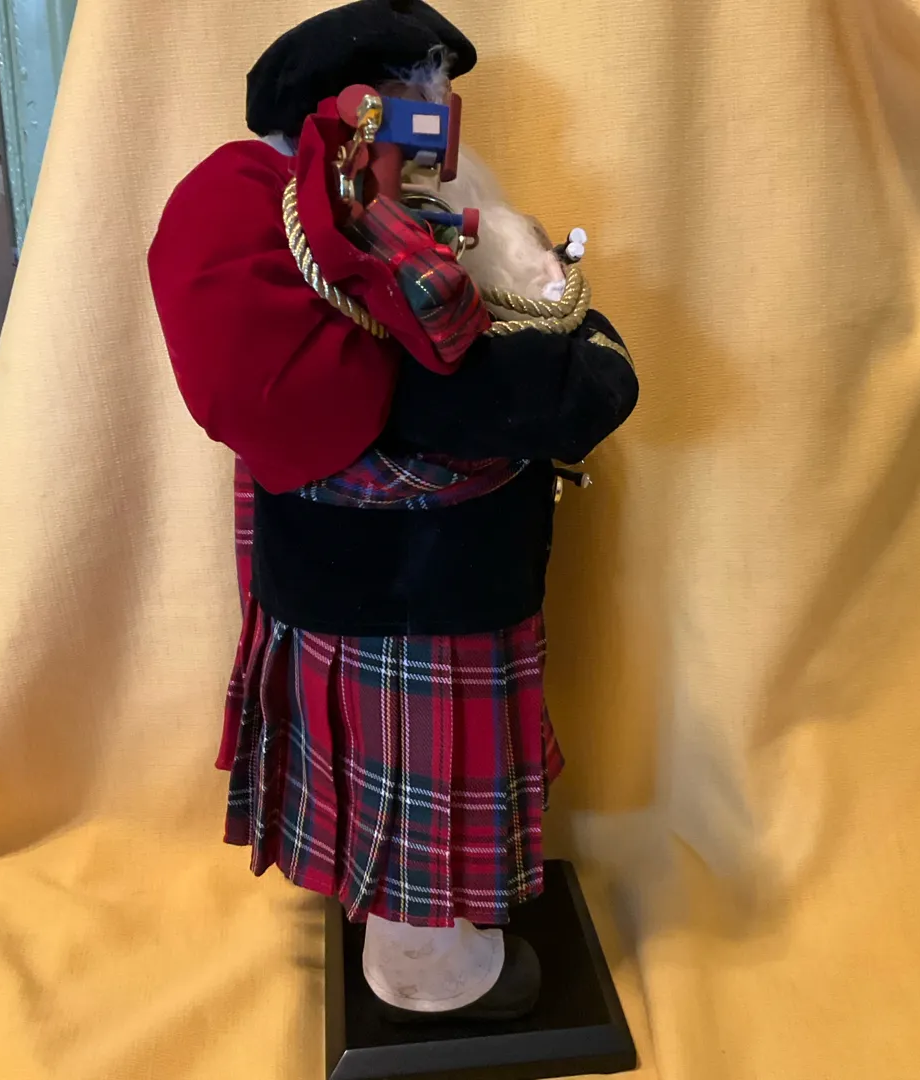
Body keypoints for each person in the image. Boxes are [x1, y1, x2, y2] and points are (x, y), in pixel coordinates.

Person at [148, 0, 638, 1022]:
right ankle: (429, 976)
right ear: (365, 118)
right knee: (415, 791)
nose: (440, 129)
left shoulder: (296, 239)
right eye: (421, 105)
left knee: (378, 777)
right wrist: (556, 302)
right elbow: (564, 392)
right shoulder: (358, 277)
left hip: (334, 577)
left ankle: (408, 924)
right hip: (424, 599)